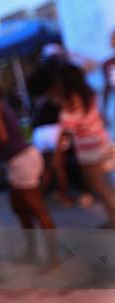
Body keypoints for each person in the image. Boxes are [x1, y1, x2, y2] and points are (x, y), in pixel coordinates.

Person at [0, 73, 55, 230]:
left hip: (21, 159)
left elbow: (3, 137)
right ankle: (33, 248)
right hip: (19, 158)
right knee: (19, 207)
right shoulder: (0, 104)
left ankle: (54, 252)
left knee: (37, 208)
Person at [50, 64, 115, 228]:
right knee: (106, 187)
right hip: (103, 142)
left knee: (101, 189)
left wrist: (57, 156)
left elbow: (67, 129)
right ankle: (112, 219)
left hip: (89, 150)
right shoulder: (88, 93)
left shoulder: (71, 101)